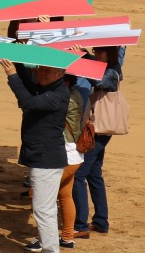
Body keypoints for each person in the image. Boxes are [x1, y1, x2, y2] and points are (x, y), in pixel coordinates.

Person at [2, 59, 70, 253]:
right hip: (43, 157)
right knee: (44, 208)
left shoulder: (56, 95)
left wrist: (12, 75)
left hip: (46, 159)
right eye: (40, 69)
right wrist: (19, 61)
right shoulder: (49, 88)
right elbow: (30, 87)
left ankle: (50, 250)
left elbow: (28, 101)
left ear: (60, 73)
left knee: (43, 210)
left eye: (47, 70)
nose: (41, 73)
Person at [72, 46, 124, 238]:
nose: (97, 53)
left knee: (79, 175)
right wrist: (85, 55)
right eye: (96, 50)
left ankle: (80, 224)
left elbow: (96, 79)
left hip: (100, 129)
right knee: (94, 174)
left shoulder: (112, 71)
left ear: (109, 53)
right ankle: (101, 222)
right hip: (100, 128)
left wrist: (82, 59)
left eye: (100, 51)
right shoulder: (108, 67)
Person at [57, 74, 85, 248]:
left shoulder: (64, 97)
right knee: (65, 196)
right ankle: (67, 237)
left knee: (41, 194)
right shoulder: (76, 94)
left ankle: (45, 237)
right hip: (74, 154)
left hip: (65, 154)